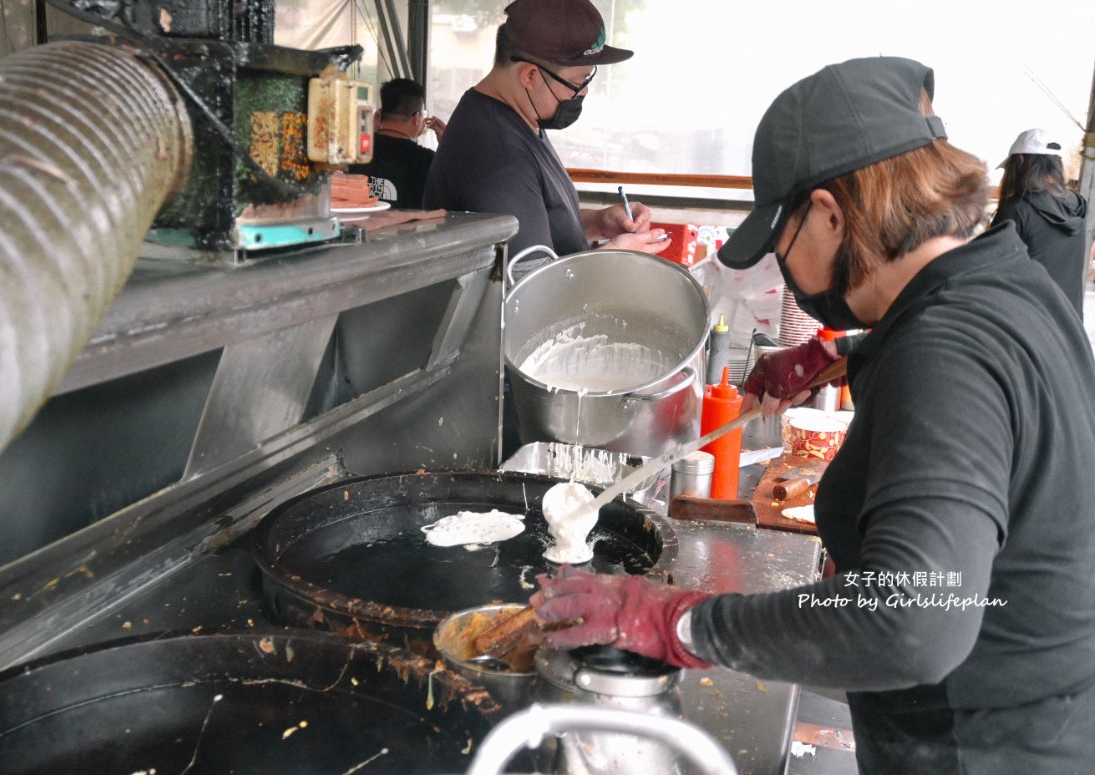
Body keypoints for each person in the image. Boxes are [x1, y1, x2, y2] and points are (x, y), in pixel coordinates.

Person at [531, 57, 1095, 774]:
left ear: (830, 212)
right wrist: (839, 354)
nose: (786, 270)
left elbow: (912, 618)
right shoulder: (1012, 279)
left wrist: (675, 619)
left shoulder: (943, 350)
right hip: (1048, 723)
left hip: (973, 745)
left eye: (782, 243)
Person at [422, 0, 669, 280]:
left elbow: (538, 225)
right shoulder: (499, 156)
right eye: (578, 81)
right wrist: (612, 258)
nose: (584, 92)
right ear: (530, 76)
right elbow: (530, 288)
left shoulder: (513, 116)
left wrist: (599, 223)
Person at [990, 127, 1088, 318]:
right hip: (1069, 329)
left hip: (1028, 327)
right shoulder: (1079, 206)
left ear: (1020, 161)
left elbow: (989, 272)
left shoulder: (1017, 209)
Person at [348, 78, 445, 210]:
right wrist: (445, 150)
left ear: (379, 115)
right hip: (408, 230)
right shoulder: (427, 161)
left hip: (356, 228)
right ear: (417, 118)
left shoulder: (353, 152)